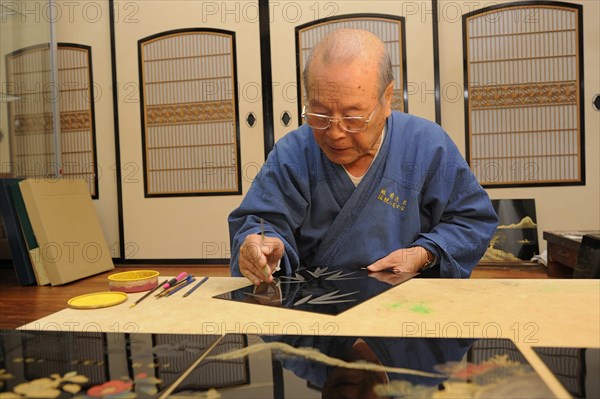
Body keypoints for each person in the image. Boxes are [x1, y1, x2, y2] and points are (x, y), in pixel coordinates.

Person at [229, 28, 498, 286]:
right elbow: (260, 224)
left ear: (387, 98)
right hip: (316, 314)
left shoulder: (427, 145)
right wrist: (260, 246)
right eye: (320, 114)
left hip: (406, 309)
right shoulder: (293, 153)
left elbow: (472, 220)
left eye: (353, 117)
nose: (335, 133)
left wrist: (424, 253)